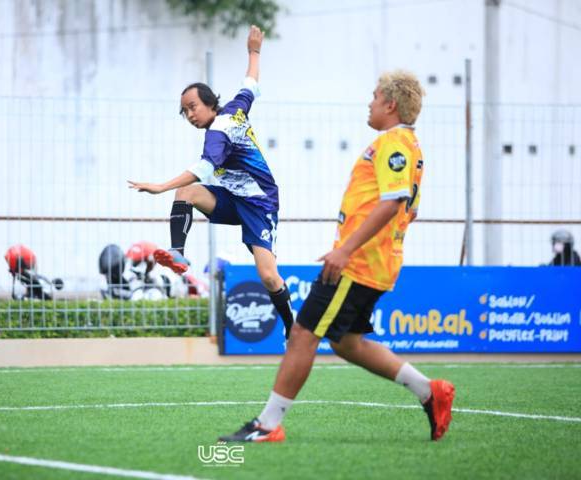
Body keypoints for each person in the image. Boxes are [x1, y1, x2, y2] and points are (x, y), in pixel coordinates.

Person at [219, 70, 455, 443]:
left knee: (302, 333)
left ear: (390, 105)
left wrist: (345, 249)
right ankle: (430, 391)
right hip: (374, 260)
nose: (370, 102)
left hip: (359, 263)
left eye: (375, 96)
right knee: (347, 342)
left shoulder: (393, 143)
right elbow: (411, 208)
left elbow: (394, 202)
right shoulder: (410, 147)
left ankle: (268, 424)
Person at [128, 25, 294, 338]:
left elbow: (205, 168)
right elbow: (250, 85)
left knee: (269, 277)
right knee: (187, 192)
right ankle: (178, 252)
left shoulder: (218, 131)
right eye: (184, 111)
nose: (189, 115)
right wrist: (254, 51)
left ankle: (292, 326)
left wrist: (159, 186)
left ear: (208, 103)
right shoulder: (235, 109)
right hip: (233, 198)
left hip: (260, 204)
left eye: (192, 107)